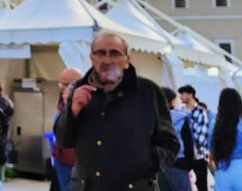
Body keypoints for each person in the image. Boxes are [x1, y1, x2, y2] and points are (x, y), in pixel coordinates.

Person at [55, 32, 178, 190]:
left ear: (127, 60)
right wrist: (73, 112)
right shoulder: (79, 90)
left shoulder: (148, 91)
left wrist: (145, 160)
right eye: (100, 53)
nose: (107, 60)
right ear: (92, 58)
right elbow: (64, 140)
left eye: (114, 53)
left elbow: (170, 144)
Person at [51, 67, 82, 191]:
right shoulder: (62, 100)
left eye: (65, 84)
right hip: (61, 158)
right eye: (60, 83)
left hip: (73, 160)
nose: (61, 87)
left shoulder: (82, 101)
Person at [160, 87, 193, 191]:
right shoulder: (182, 118)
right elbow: (188, 144)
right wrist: (189, 165)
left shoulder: (151, 119)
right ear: (172, 101)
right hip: (179, 163)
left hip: (160, 166)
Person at [177, 85, 210, 191]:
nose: (181, 96)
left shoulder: (200, 111)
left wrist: (195, 149)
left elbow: (202, 134)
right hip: (184, 156)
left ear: (191, 95)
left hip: (198, 156)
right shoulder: (180, 112)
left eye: (183, 94)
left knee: (201, 185)